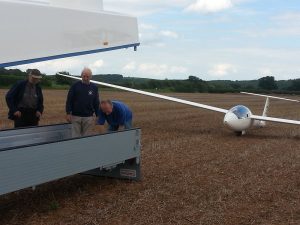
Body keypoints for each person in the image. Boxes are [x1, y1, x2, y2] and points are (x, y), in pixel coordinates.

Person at [66, 67, 99, 137]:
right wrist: (68, 113)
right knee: (75, 137)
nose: (86, 78)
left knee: (87, 138)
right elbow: (69, 100)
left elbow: (96, 102)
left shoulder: (94, 88)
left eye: (88, 76)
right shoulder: (74, 86)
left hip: (88, 117)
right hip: (76, 116)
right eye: (84, 76)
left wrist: (98, 115)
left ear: (90, 77)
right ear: (81, 75)